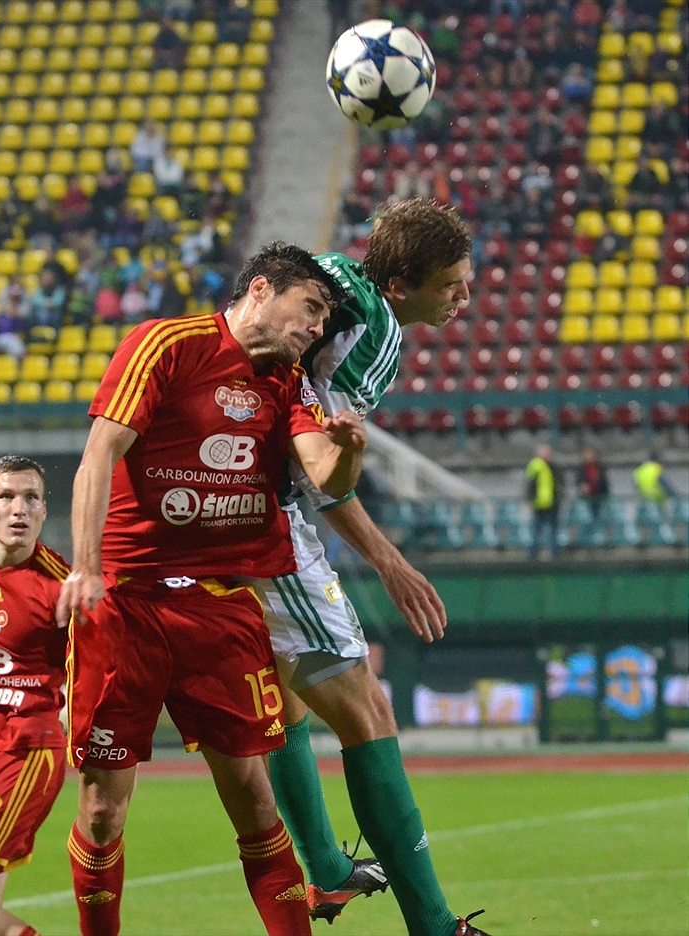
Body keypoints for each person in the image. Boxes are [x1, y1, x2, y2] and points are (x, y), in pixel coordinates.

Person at [54, 242, 367, 936]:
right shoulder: (165, 344)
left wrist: (348, 453)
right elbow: (99, 453)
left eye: (323, 319)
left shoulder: (288, 382)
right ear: (261, 288)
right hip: (125, 604)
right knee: (103, 811)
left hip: (217, 605)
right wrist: (85, 566)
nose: (317, 327)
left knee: (255, 799)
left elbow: (325, 476)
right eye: (311, 307)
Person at [246, 199, 492, 936]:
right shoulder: (377, 334)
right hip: (265, 520)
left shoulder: (325, 275)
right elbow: (316, 467)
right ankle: (434, 924)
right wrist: (390, 562)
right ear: (404, 281)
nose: (464, 299)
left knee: (284, 698)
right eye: (451, 285)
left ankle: (323, 870)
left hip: (211, 496)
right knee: (368, 712)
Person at [0, 455, 70, 936]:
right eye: (5, 496)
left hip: (24, 752)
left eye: (30, 498)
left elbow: (99, 675)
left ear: (43, 512)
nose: (18, 509)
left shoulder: (62, 590)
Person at [525, 443, 565, 560]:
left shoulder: (555, 467)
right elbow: (529, 485)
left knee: (553, 533)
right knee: (536, 534)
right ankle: (532, 559)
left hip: (553, 505)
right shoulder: (535, 466)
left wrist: (560, 499)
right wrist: (530, 501)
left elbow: (561, 485)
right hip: (538, 505)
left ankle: (555, 558)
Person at [575, 446, 609, 520]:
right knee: (587, 519)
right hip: (586, 498)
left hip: (600, 497)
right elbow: (578, 481)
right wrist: (582, 487)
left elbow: (605, 481)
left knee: (599, 518)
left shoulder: (600, 468)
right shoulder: (581, 468)